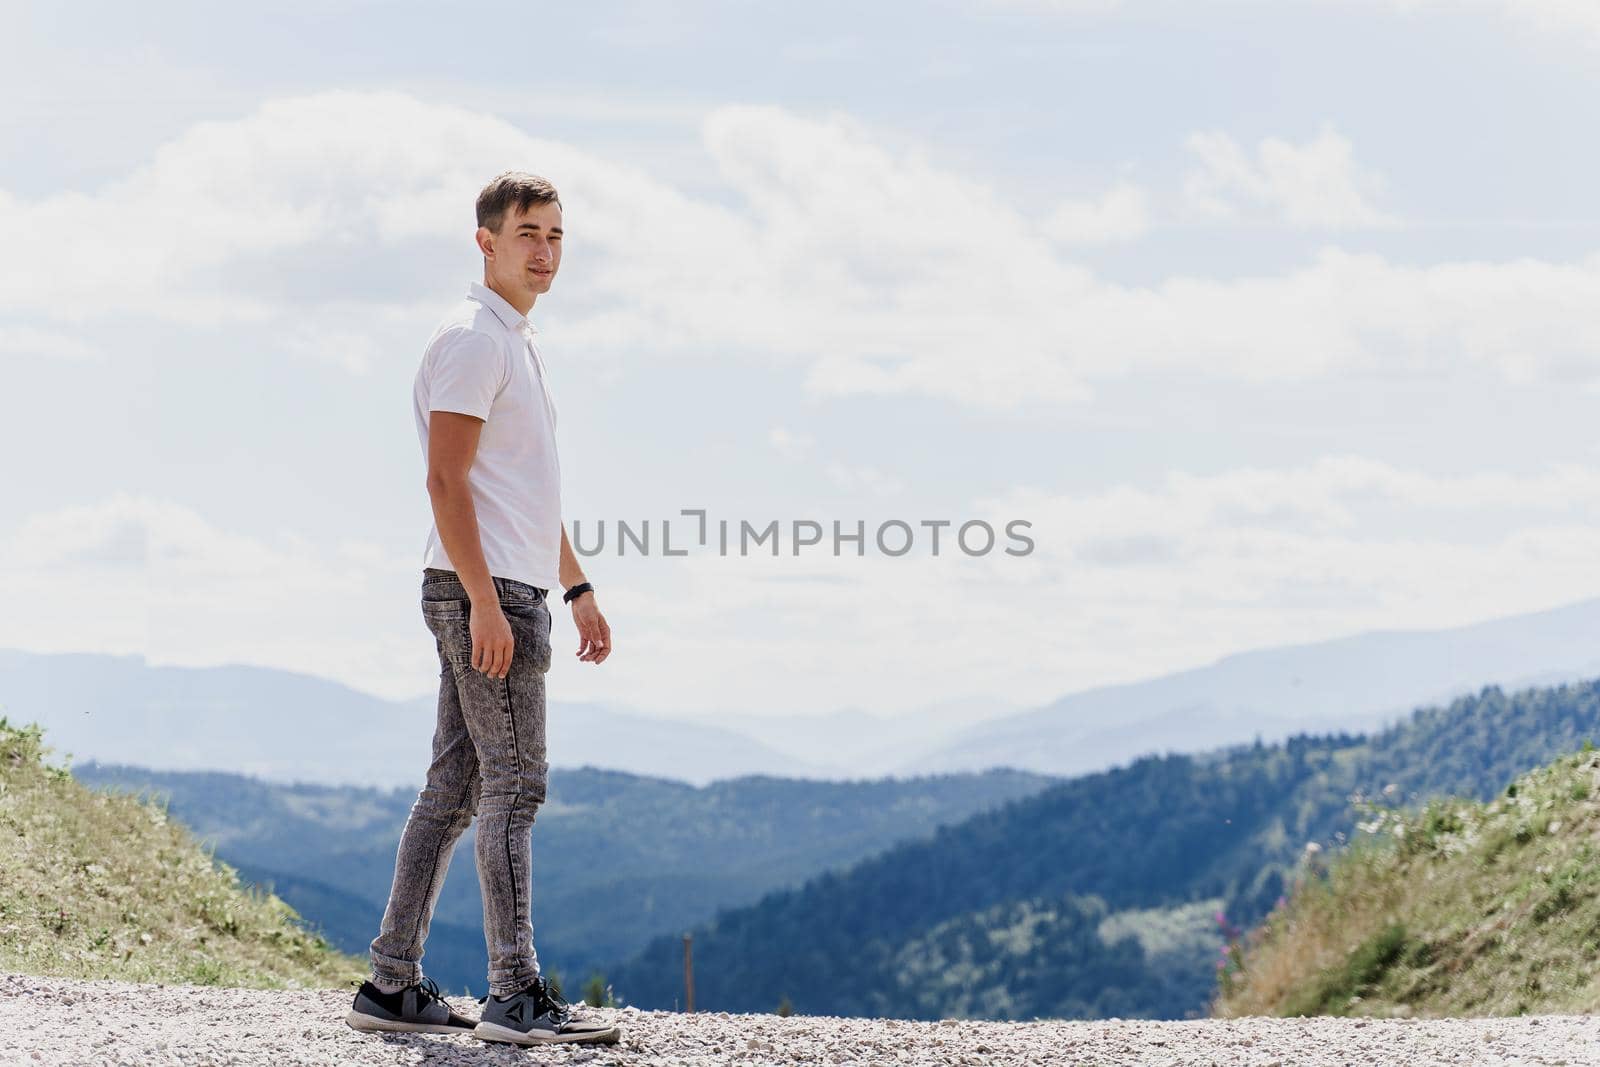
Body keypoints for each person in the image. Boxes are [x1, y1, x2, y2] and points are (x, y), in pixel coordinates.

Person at [345, 171, 619, 1047]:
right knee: (515, 785)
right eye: (528, 233)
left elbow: (525, 494)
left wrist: (575, 587)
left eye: (556, 236)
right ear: (486, 241)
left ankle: (391, 982)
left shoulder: (512, 341)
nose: (545, 251)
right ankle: (516, 994)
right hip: (486, 591)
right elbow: (445, 480)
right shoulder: (474, 339)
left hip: (508, 584)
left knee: (457, 786)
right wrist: (483, 602)